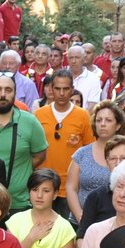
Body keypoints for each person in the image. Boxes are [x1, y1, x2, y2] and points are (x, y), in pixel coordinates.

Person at [0, 72, 47, 213]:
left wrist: (21, 170)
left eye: (8, 90)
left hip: (19, 204)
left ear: (15, 93)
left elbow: (40, 156)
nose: (2, 95)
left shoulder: (30, 122)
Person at [35, 69, 92, 199]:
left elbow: (89, 151)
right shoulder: (39, 114)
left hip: (71, 187)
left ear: (72, 89)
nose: (61, 93)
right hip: (43, 185)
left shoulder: (83, 116)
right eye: (57, 88)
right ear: (51, 89)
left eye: (66, 89)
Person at [65, 100, 123, 225]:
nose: (102, 124)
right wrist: (80, 216)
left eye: (108, 120)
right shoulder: (82, 153)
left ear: (118, 125)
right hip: (80, 221)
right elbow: (71, 187)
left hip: (114, 222)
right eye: (98, 120)